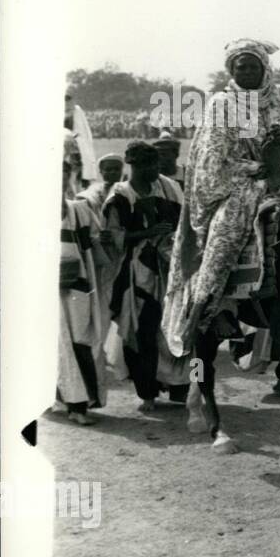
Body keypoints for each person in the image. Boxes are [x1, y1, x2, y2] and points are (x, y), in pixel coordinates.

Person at [161, 38, 280, 359]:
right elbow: (213, 160)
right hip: (239, 183)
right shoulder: (222, 104)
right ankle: (207, 307)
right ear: (231, 70)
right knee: (226, 232)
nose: (247, 72)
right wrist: (257, 167)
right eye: (241, 67)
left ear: (264, 69)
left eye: (253, 66)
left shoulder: (279, 105)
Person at [103, 141, 189, 410]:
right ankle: (147, 393)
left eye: (157, 164)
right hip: (136, 276)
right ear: (135, 166)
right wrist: (146, 234)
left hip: (172, 271)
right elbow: (110, 237)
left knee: (181, 331)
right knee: (142, 334)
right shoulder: (119, 196)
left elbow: (186, 221)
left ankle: (182, 390)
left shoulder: (169, 187)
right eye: (151, 166)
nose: (157, 169)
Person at [56, 141, 110, 425]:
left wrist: (109, 275)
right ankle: (67, 402)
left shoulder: (79, 210)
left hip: (76, 286)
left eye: (62, 177)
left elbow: (96, 251)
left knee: (80, 341)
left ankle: (80, 404)